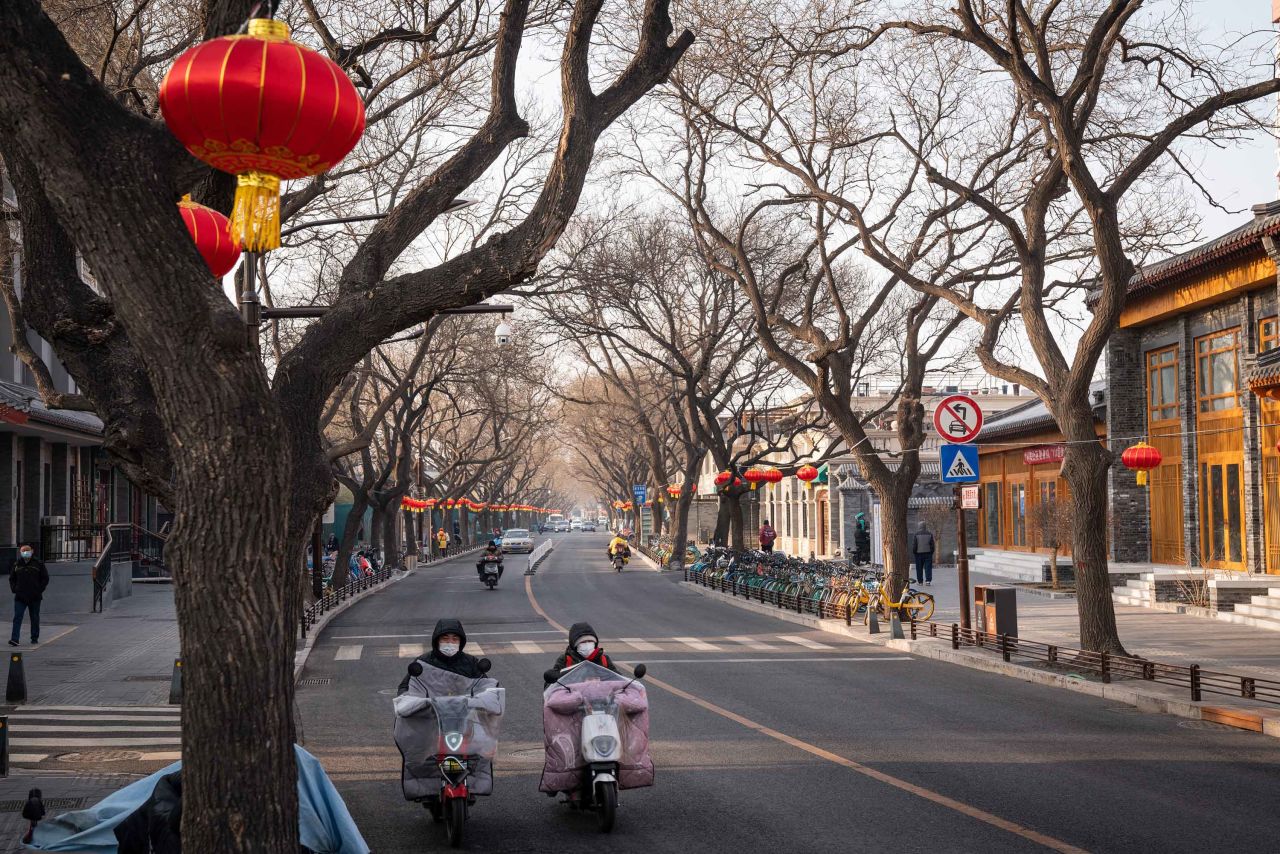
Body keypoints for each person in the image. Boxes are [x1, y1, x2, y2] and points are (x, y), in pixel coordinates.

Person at [398, 619, 487, 694]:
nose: (450, 642)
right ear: (437, 640)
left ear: (461, 642)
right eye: (445, 638)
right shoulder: (423, 662)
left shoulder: (471, 662)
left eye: (455, 639)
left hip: (465, 711)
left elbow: (486, 686)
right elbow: (405, 688)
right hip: (431, 712)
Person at [544, 622, 618, 685]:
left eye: (590, 641)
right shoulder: (565, 659)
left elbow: (618, 678)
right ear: (575, 645)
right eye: (583, 642)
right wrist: (554, 675)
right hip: (573, 698)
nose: (587, 644)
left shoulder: (604, 659)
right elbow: (553, 681)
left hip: (602, 699)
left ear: (595, 643)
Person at [9, 545, 49, 647]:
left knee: (34, 617)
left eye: (27, 551)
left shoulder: (38, 564)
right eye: (23, 551)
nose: (25, 552)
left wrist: (39, 590)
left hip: (34, 596)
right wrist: (14, 589)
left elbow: (45, 578)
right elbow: (12, 578)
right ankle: (14, 639)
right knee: (17, 617)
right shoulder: (17, 564)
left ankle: (34, 637)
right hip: (20, 596)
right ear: (20, 552)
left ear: (32, 551)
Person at [912, 521, 936, 586]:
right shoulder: (930, 534)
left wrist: (914, 552)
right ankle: (928, 581)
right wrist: (931, 552)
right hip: (928, 553)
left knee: (919, 568)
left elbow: (915, 545)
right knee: (928, 567)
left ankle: (920, 582)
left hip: (918, 554)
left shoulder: (916, 534)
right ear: (925, 526)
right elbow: (932, 544)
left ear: (919, 526)